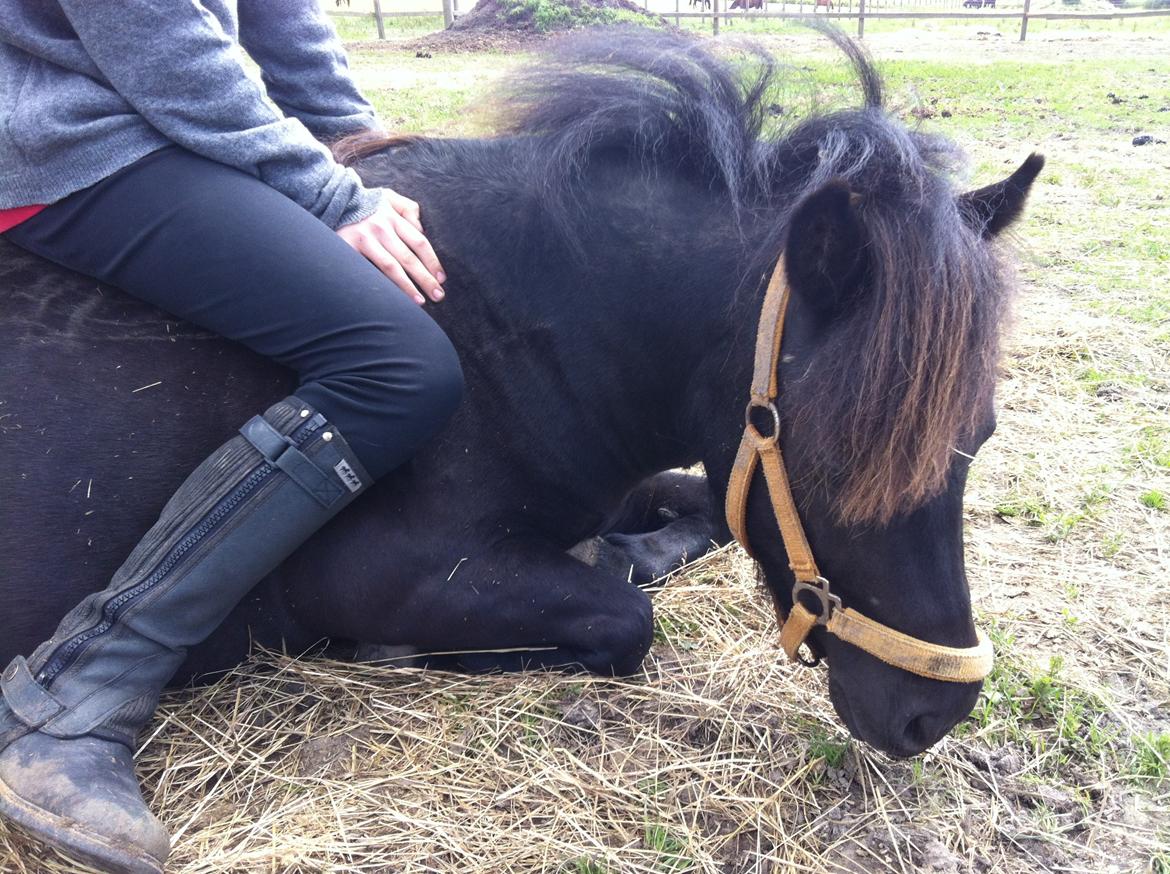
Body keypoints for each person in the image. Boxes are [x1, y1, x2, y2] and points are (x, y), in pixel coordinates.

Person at [0, 3, 464, 872]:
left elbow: (281, 14)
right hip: (69, 144)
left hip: (138, 119)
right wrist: (330, 194)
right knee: (397, 366)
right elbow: (161, 45)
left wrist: (358, 138)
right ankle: (75, 692)